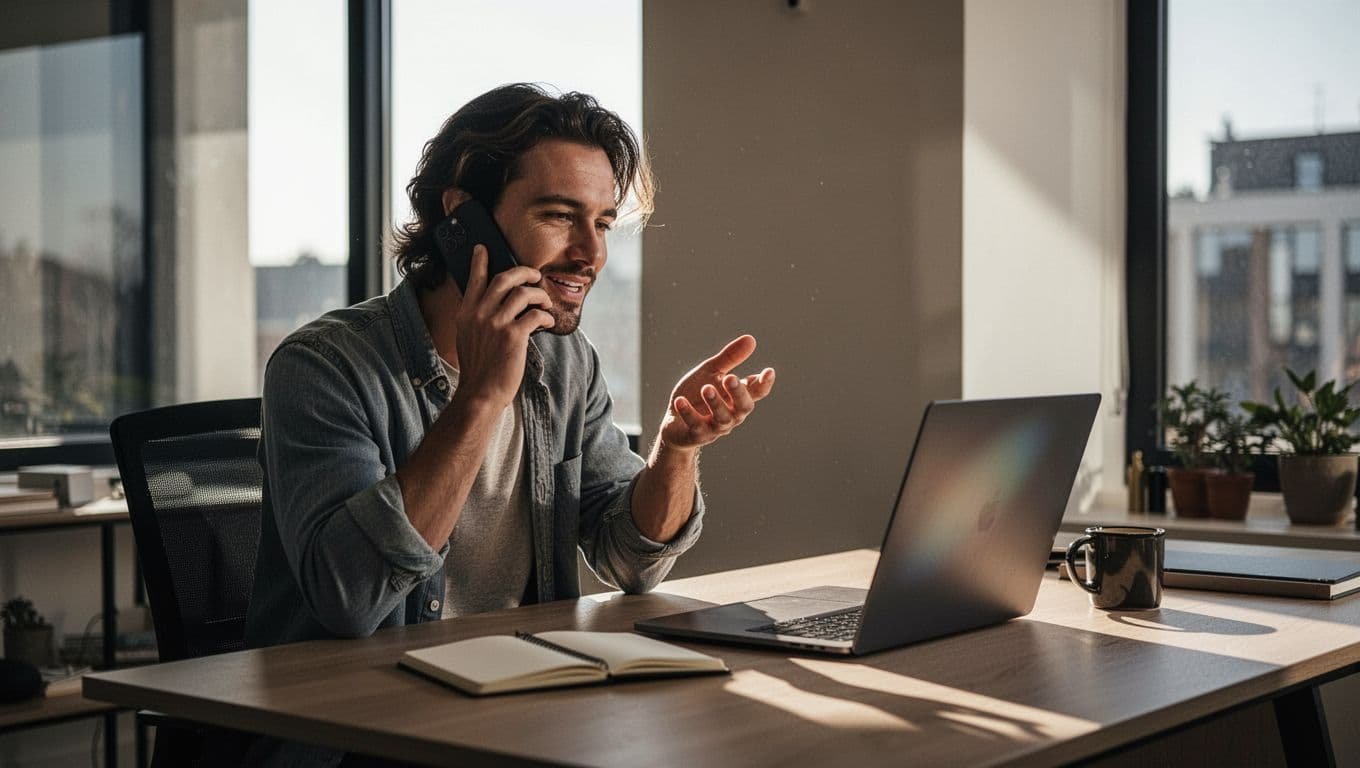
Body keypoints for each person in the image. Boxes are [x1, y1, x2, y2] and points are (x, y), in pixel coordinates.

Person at [238, 84, 774, 764]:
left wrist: (674, 452)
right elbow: (351, 600)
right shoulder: (322, 366)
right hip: (355, 737)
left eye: (604, 223)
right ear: (461, 218)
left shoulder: (565, 360)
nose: (591, 254)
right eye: (559, 216)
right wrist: (481, 398)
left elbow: (628, 560)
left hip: (523, 716)